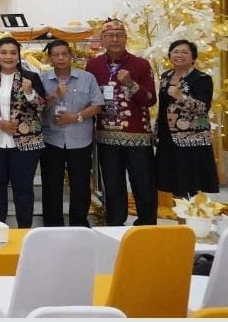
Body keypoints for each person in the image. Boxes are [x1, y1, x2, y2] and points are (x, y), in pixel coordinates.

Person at [86, 19, 158, 226]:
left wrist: (131, 84)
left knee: (143, 183)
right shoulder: (93, 65)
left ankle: (146, 225)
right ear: (102, 40)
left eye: (119, 35)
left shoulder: (140, 64)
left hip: (137, 136)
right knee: (113, 184)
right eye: (110, 35)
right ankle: (116, 225)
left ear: (126, 38)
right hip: (106, 136)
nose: (115, 39)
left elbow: (151, 99)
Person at [0, 37, 47, 228]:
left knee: (23, 188)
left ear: (19, 57)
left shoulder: (31, 78)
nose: (8, 56)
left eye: (13, 53)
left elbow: (42, 107)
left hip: (26, 143)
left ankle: (24, 231)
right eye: (3, 52)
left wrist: (30, 93)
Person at [39, 40, 104, 227]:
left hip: (80, 139)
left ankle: (79, 224)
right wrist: (55, 95)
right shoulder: (43, 79)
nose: (60, 58)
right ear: (50, 58)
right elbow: (38, 107)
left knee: (80, 186)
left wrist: (75, 117)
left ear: (71, 56)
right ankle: (53, 226)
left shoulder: (87, 78)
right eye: (56, 55)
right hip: (52, 140)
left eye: (64, 54)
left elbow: (97, 105)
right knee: (52, 186)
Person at [156, 39, 219, 198]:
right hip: (167, 136)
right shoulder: (166, 76)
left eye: (184, 52)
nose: (179, 55)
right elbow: (163, 106)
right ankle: (181, 220)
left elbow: (203, 108)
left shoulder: (202, 78)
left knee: (190, 182)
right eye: (175, 51)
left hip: (192, 137)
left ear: (193, 57)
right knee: (174, 183)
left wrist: (181, 97)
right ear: (169, 55)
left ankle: (193, 217)